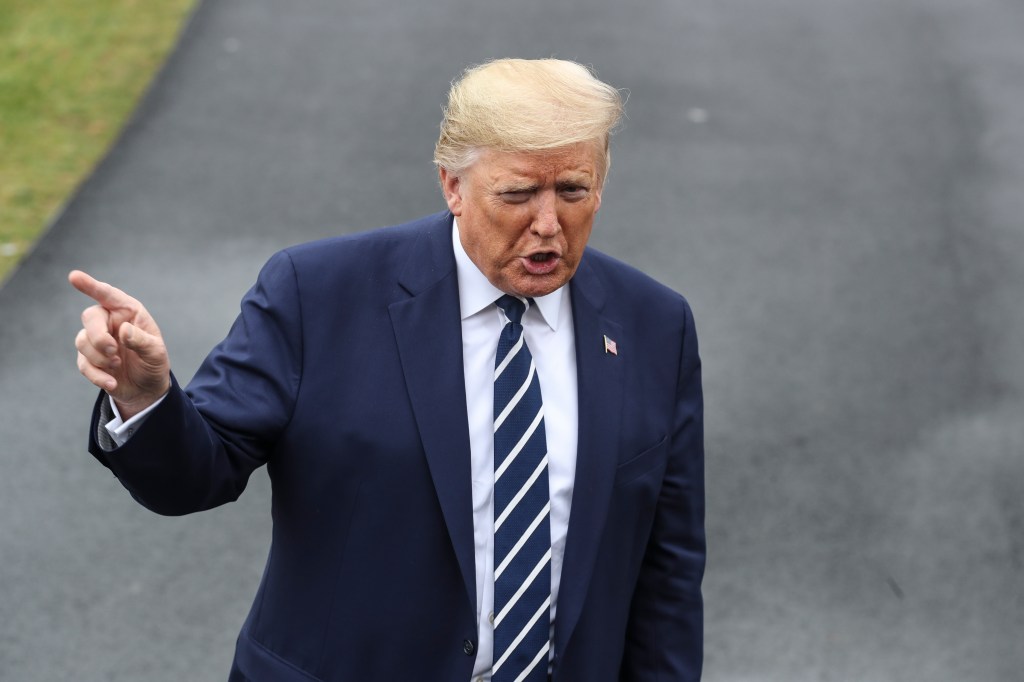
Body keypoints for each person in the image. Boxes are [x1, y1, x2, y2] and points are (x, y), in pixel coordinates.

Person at [70, 58, 705, 682]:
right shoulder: (316, 294)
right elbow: (194, 478)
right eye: (517, 194)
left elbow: (668, 567)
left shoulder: (654, 325)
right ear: (452, 185)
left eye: (573, 190)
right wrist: (147, 398)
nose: (548, 223)